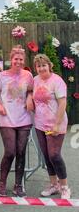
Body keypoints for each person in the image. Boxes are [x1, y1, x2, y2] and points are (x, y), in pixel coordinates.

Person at [0, 45, 33, 197]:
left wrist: (29, 97)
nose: (18, 62)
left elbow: (31, 90)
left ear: (24, 60)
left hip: (24, 118)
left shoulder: (28, 75)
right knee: (10, 152)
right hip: (7, 118)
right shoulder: (2, 76)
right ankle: (2, 183)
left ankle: (18, 185)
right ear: (11, 59)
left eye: (21, 59)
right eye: (16, 59)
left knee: (21, 152)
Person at [29, 54, 71, 200]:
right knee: (46, 156)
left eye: (43, 65)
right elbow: (29, 92)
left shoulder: (57, 81)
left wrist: (57, 125)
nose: (41, 68)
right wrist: (29, 98)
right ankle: (54, 184)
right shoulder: (35, 80)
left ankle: (65, 187)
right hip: (40, 123)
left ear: (49, 65)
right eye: (38, 66)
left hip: (56, 123)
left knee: (54, 155)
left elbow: (62, 103)